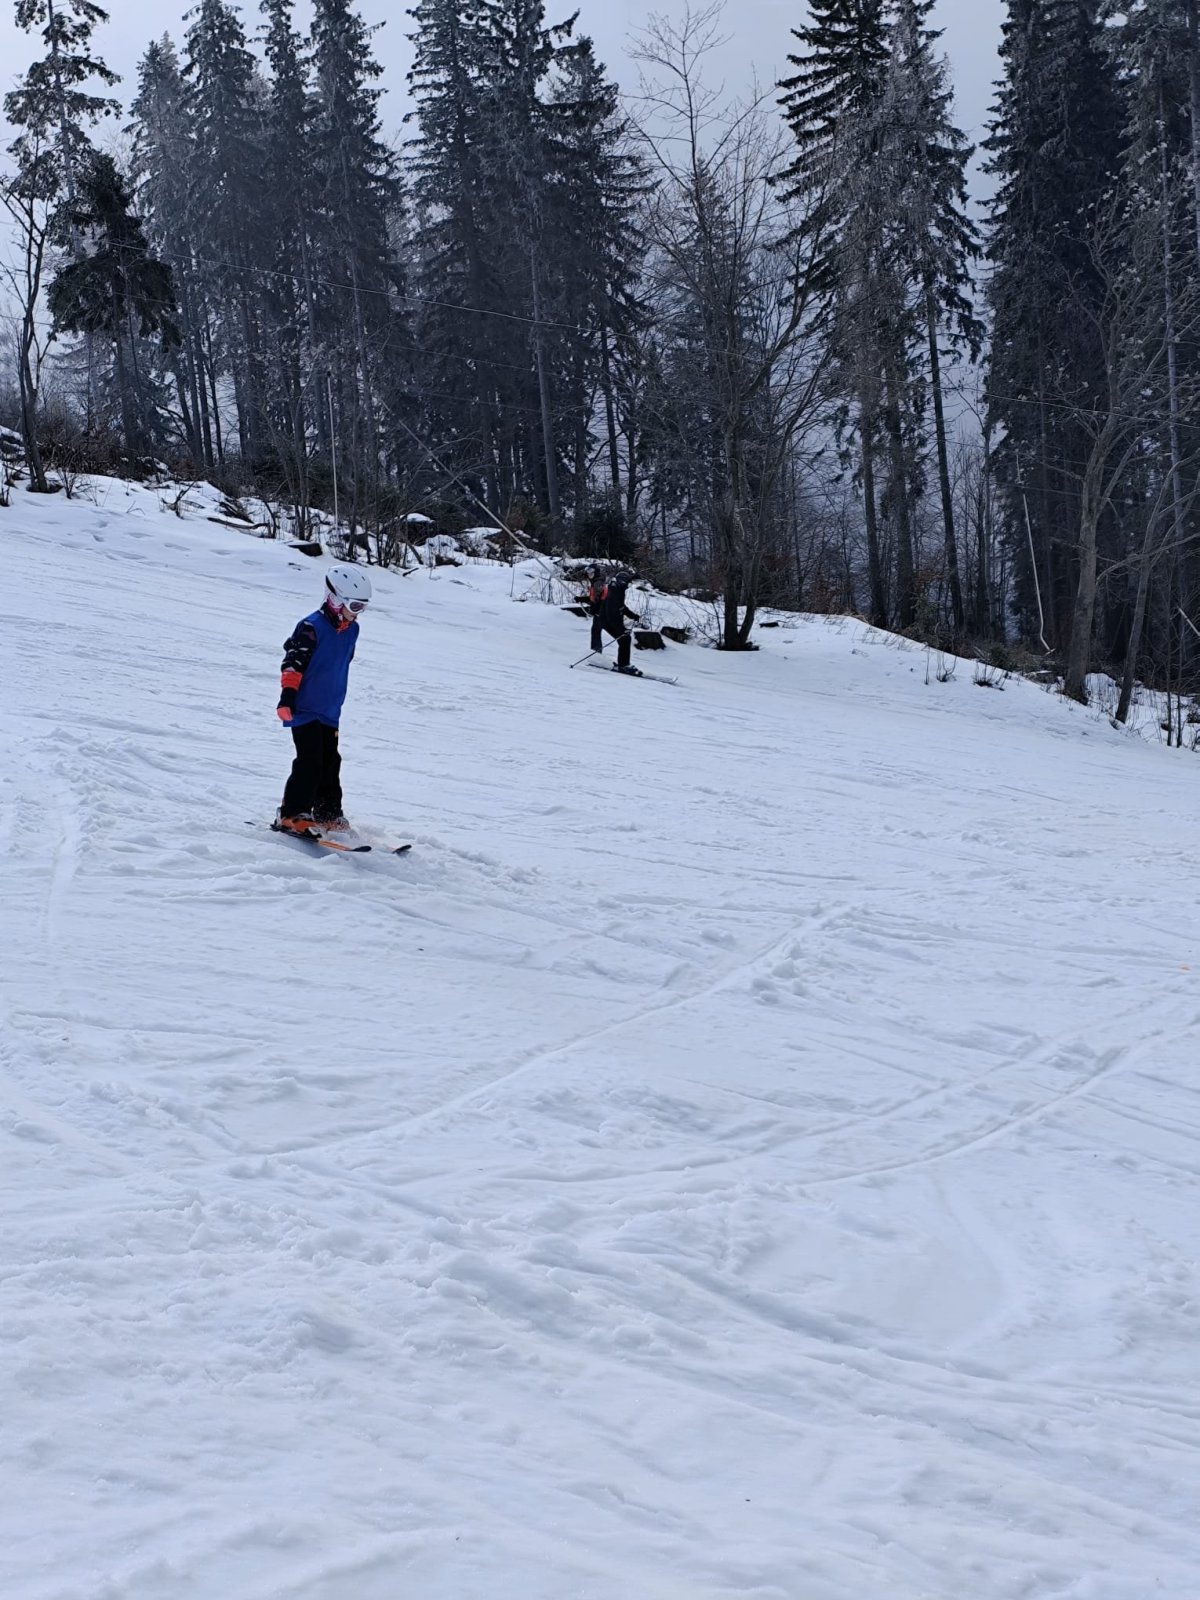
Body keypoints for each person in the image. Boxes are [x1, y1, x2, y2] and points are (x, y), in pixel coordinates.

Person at [274, 564, 371, 836]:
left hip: (330, 710)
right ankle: (292, 813)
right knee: (310, 761)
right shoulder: (311, 627)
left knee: (331, 762)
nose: (357, 612)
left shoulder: (352, 630)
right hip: (304, 707)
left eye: (363, 607)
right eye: (354, 605)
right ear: (335, 599)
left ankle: (328, 813)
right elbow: (293, 664)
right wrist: (287, 698)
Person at [587, 567, 642, 675]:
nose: (627, 585)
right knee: (625, 639)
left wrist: (633, 615)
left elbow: (621, 607)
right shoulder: (614, 591)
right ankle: (623, 665)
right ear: (622, 581)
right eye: (626, 582)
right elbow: (611, 613)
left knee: (624, 639)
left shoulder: (617, 589)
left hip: (608, 620)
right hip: (607, 620)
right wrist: (621, 629)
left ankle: (623, 664)